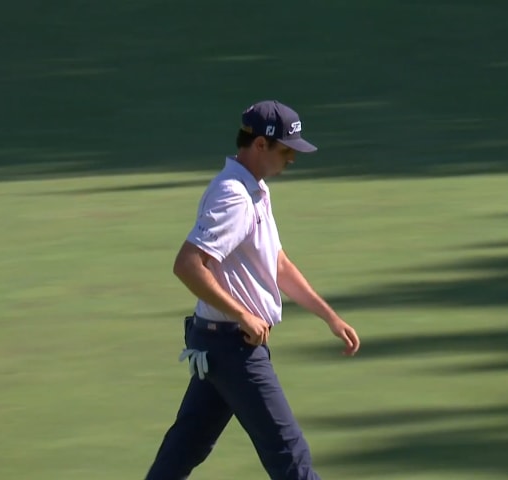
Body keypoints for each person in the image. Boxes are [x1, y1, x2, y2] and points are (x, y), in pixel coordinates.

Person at [145, 100, 361, 480]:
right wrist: (244, 314)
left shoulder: (255, 190)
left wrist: (329, 316)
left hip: (218, 343)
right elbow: (188, 265)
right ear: (260, 144)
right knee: (289, 453)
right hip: (234, 347)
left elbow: (276, 263)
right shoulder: (234, 196)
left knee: (185, 447)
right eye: (286, 151)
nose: (291, 160)